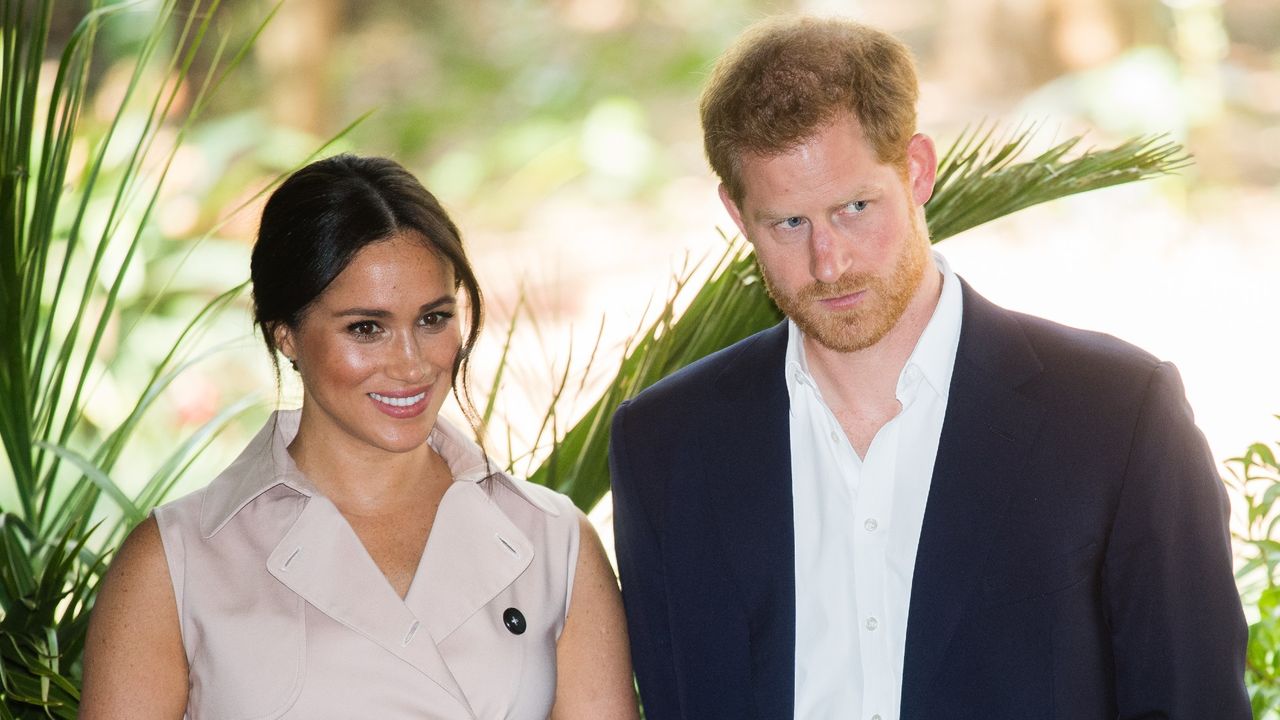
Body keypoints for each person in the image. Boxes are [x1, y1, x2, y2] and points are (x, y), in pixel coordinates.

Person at [608, 16, 1250, 720]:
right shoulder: (664, 445)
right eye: (787, 224)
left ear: (917, 169)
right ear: (737, 213)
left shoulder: (1118, 418)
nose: (830, 262)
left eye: (855, 207)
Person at [80, 155, 638, 719]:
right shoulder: (176, 561)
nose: (411, 364)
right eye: (366, 328)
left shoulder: (555, 542)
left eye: (433, 319)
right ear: (287, 335)